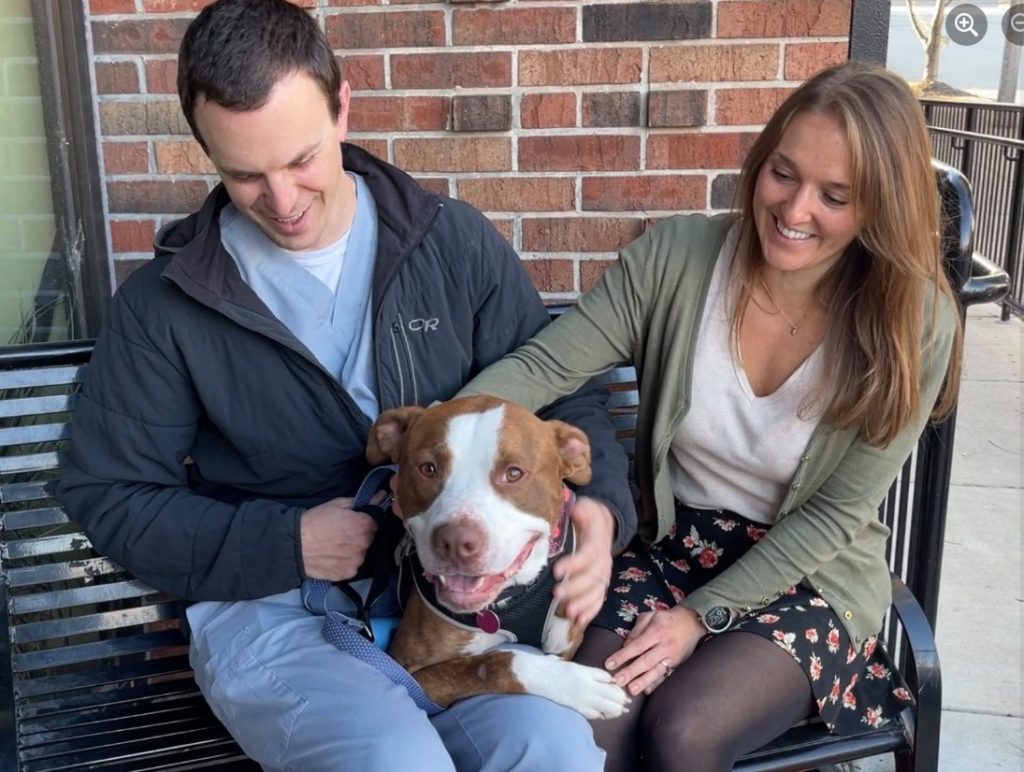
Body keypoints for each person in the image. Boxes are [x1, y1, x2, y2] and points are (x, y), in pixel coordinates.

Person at [58, 0, 637, 769]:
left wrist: (599, 514)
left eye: (301, 159)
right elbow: (110, 494)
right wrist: (287, 542)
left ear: (342, 106)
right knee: (394, 760)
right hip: (265, 608)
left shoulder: (449, 242)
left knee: (553, 748)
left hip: (436, 610)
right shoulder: (165, 307)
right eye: (244, 175)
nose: (285, 201)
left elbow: (565, 399)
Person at [458, 61, 964, 771]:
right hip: (672, 549)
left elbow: (832, 517)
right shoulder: (679, 259)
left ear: (880, 206)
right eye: (783, 174)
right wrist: (438, 438)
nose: (794, 211)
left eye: (836, 195)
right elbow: (544, 368)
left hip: (805, 573)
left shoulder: (914, 319)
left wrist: (698, 619)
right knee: (588, 725)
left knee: (684, 729)